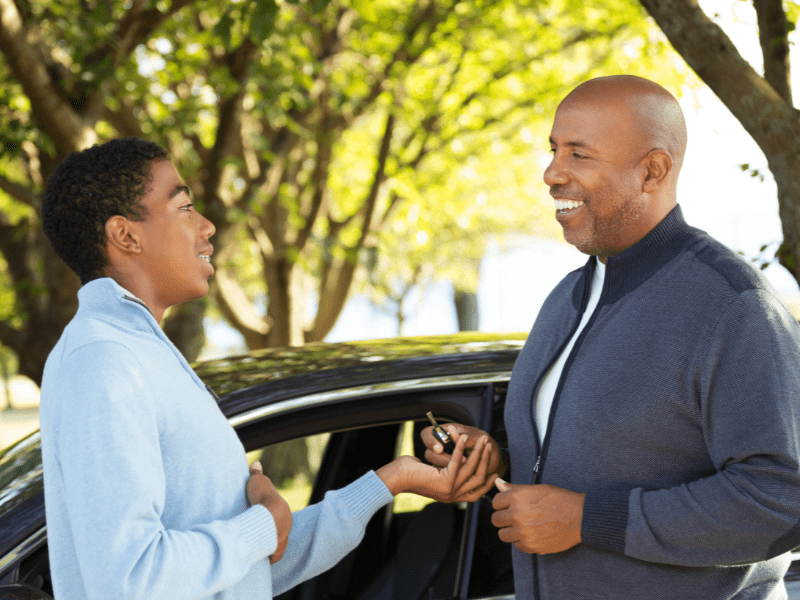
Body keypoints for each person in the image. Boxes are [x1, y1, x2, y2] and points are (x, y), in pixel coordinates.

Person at [39, 137, 495, 600]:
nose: (208, 226)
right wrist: (263, 525)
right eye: (185, 207)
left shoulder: (143, 354)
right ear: (126, 235)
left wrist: (393, 480)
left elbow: (246, 573)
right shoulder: (103, 360)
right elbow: (129, 581)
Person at [422, 75, 800, 599]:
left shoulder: (734, 308)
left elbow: (781, 502)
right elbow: (604, 451)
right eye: (554, 149)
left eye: (579, 154)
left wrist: (587, 520)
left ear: (653, 170)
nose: (551, 173)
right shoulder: (564, 299)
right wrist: (497, 459)